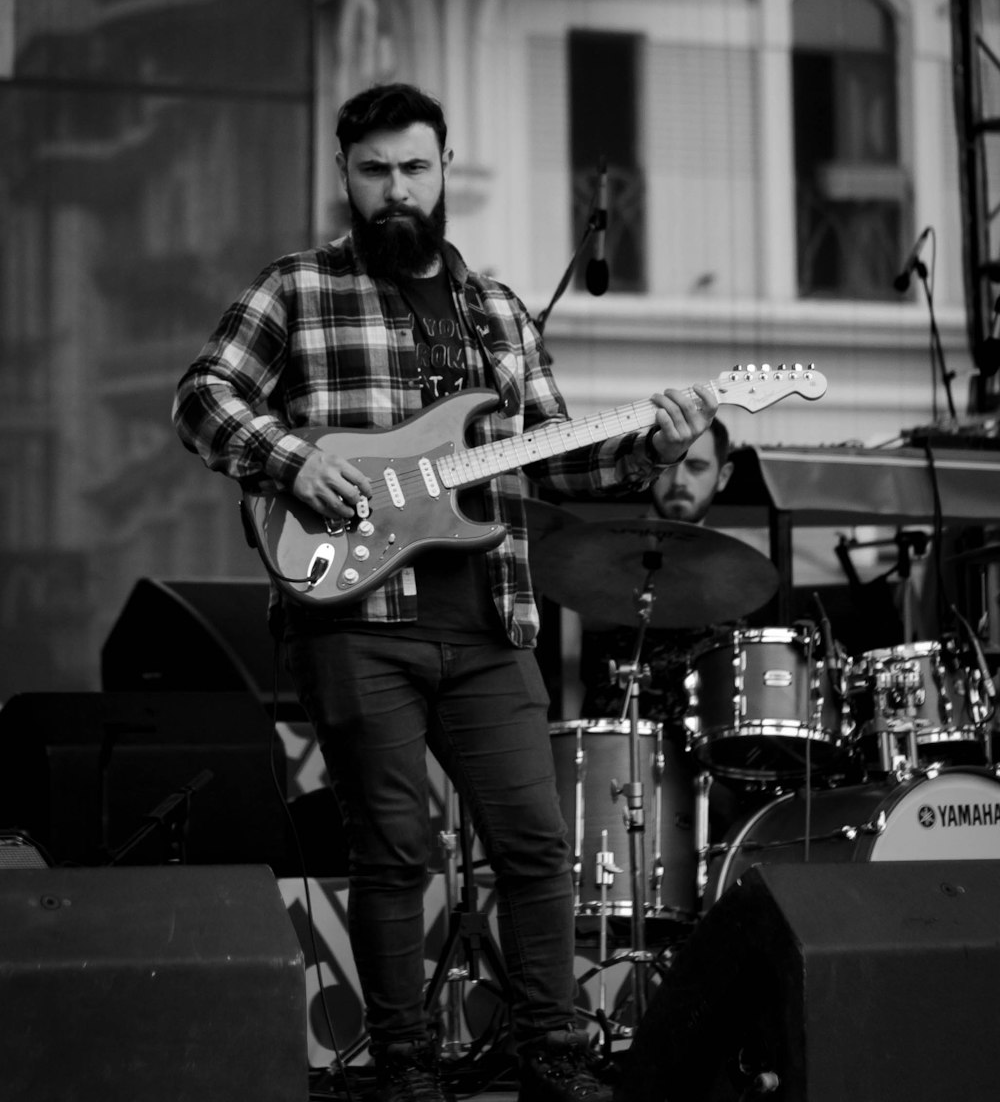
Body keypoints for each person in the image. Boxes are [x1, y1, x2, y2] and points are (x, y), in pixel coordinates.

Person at [172, 81, 717, 1102]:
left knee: (535, 843)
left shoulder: (498, 312)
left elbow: (558, 466)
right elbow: (200, 396)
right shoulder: (296, 288)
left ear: (443, 169)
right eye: (373, 170)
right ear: (345, 174)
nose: (394, 189)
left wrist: (654, 446)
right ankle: (405, 1064)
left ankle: (548, 1048)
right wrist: (289, 459)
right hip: (355, 616)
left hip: (490, 622)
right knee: (391, 852)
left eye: (412, 168)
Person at [578, 418, 735, 724]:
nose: (679, 481)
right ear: (649, 469)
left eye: (697, 467)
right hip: (616, 748)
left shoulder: (738, 573)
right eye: (667, 466)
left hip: (702, 749)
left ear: (723, 475)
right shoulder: (603, 560)